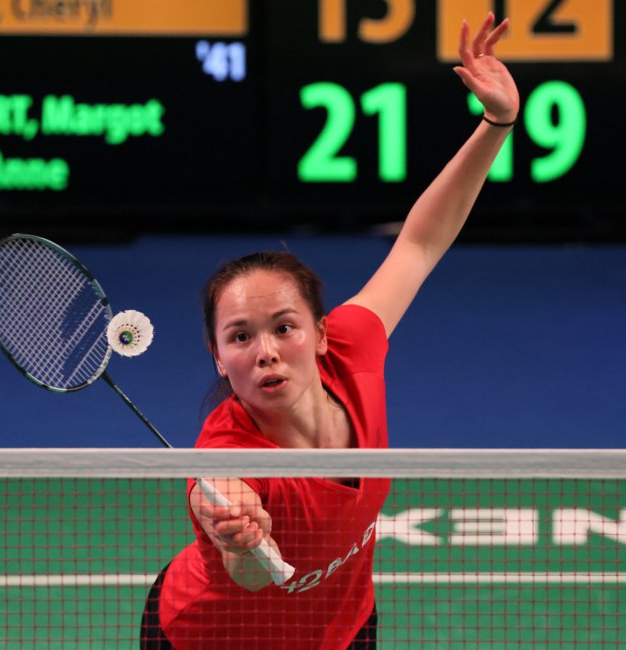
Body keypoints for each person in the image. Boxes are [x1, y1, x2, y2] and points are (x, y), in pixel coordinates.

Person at [141, 12, 520, 650]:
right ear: (217, 358)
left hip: (343, 629)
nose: (265, 352)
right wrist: (242, 532)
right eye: (239, 338)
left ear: (320, 334)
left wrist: (497, 124)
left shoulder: (353, 347)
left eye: (283, 327)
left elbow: (420, 244)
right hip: (212, 639)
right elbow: (247, 570)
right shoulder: (224, 458)